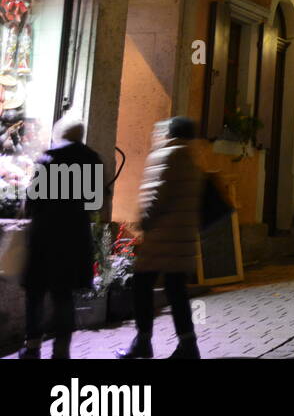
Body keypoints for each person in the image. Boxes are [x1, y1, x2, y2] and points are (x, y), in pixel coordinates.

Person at [117, 116, 203, 359]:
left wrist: (143, 222)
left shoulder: (167, 155)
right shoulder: (193, 160)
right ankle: (188, 345)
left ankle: (143, 341)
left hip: (161, 238)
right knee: (177, 291)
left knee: (142, 284)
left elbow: (155, 196)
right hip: (182, 238)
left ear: (170, 133)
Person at [19, 116, 104, 360]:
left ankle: (33, 347)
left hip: (46, 235)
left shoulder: (49, 159)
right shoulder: (93, 160)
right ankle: (61, 350)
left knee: (35, 291)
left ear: (60, 134)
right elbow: (96, 202)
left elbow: (32, 200)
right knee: (63, 295)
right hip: (75, 236)